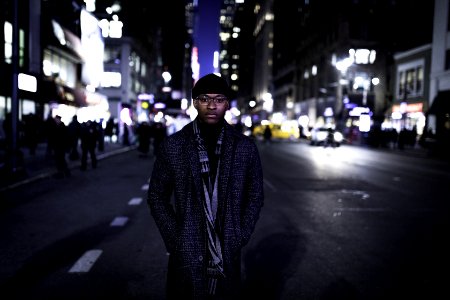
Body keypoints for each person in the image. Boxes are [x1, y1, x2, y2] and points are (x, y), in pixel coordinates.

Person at [147, 73, 264, 299]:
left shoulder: (245, 148)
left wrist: (240, 235)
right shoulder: (174, 145)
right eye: (204, 99)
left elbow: (255, 196)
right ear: (195, 102)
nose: (212, 105)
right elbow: (157, 196)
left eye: (219, 99)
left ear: (227, 103)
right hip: (186, 251)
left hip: (228, 249)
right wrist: (176, 239)